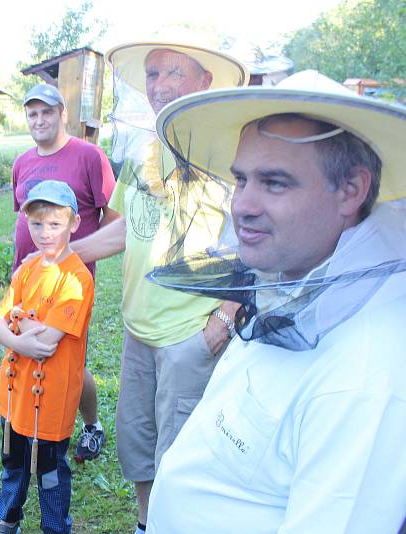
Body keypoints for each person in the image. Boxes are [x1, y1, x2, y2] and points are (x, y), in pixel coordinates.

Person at [145, 70, 406, 532]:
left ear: (351, 190)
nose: (242, 204)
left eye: (275, 183)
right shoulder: (297, 274)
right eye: (241, 179)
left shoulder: (365, 374)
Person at [69, 39, 249, 532]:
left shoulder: (229, 155)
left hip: (190, 335)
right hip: (137, 331)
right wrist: (69, 251)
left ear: (205, 81)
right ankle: (147, 521)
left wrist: (225, 317)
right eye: (152, 75)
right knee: (137, 440)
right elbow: (131, 224)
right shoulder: (147, 151)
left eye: (174, 73)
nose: (161, 86)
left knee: (182, 450)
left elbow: (259, 245)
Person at [13, 83, 118, 462]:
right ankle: (27, 426)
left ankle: (90, 425)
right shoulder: (21, 162)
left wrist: (69, 257)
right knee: (29, 352)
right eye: (32, 113)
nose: (39, 120)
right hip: (27, 280)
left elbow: (117, 220)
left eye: (46, 112)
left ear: (62, 114)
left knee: (68, 365)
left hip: (68, 286)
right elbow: (21, 219)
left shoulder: (89, 156)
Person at [0, 180, 95, 534]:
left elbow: (47, 343)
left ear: (74, 223)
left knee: (49, 470)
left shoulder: (77, 279)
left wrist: (15, 322)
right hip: (14, 393)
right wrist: (22, 329)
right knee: (13, 462)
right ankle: (7, 519)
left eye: (55, 224)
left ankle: (55, 528)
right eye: (36, 224)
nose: (44, 233)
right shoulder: (27, 268)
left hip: (52, 400)